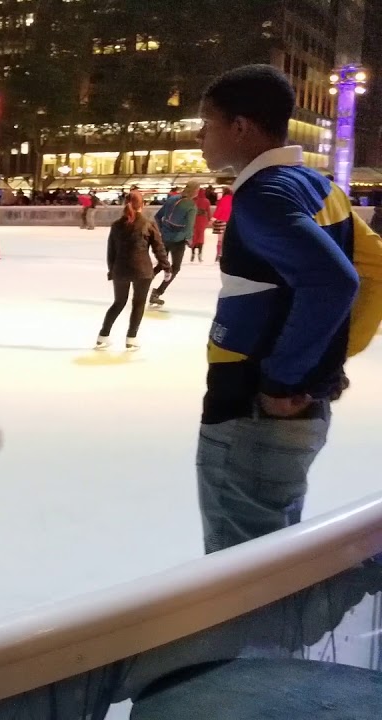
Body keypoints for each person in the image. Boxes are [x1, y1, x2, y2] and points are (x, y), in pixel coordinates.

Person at [195, 64, 382, 554]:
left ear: (240, 127)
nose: (200, 137)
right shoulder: (319, 186)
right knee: (272, 554)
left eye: (207, 124)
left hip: (253, 408)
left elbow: (333, 281)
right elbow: (374, 265)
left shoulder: (266, 196)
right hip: (293, 409)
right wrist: (327, 362)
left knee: (241, 578)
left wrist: (284, 379)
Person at [96, 190, 170, 351]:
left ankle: (103, 336)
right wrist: (166, 266)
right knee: (138, 304)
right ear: (142, 205)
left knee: (118, 303)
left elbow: (111, 252)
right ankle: (131, 338)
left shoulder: (116, 225)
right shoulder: (148, 224)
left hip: (120, 270)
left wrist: (112, 271)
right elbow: (159, 248)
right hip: (142, 270)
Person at [149, 180, 199, 308]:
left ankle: (144, 282)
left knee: (162, 263)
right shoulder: (191, 206)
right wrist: (189, 239)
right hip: (178, 240)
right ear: (194, 191)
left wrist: (162, 230)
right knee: (175, 267)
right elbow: (189, 227)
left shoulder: (172, 199)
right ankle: (158, 292)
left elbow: (158, 216)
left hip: (165, 238)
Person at [189, 187, 212, 262]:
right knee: (201, 237)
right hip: (202, 221)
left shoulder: (193, 200)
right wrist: (209, 219)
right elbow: (208, 211)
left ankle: (192, 254)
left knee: (194, 237)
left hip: (194, 220)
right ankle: (200, 254)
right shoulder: (206, 201)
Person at [212, 186, 233, 261]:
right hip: (231, 222)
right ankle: (228, 254)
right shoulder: (234, 200)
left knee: (220, 240)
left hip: (221, 221)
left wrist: (213, 219)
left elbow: (219, 210)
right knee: (228, 239)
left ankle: (218, 254)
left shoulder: (222, 200)